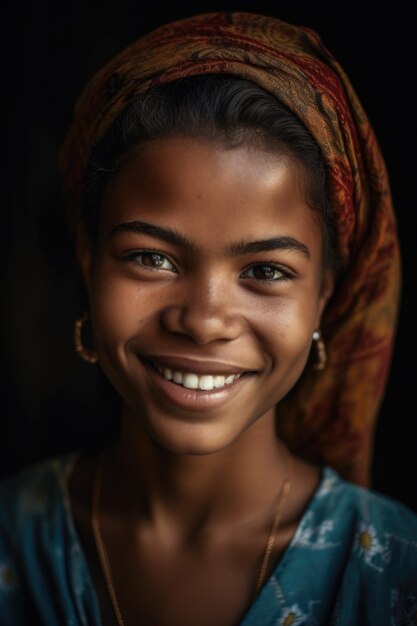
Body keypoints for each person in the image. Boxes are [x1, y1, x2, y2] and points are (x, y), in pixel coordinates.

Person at [0, 10, 416, 626]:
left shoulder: (396, 575)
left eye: (267, 271)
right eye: (152, 258)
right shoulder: (12, 539)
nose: (204, 320)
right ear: (89, 263)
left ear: (327, 292)